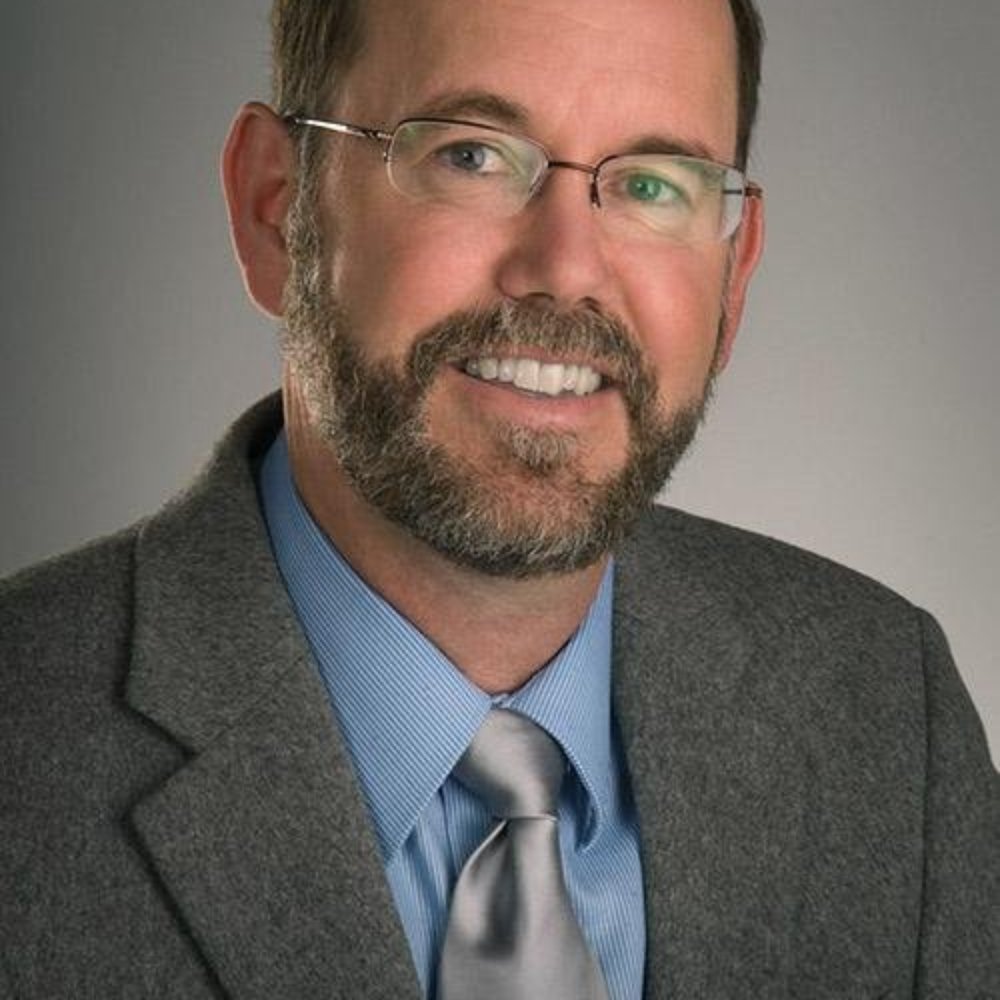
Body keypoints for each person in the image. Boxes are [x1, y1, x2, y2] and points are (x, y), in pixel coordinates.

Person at [1, 0, 997, 996]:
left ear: (732, 277)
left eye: (653, 184)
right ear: (277, 207)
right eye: (471, 156)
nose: (565, 270)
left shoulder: (884, 705)